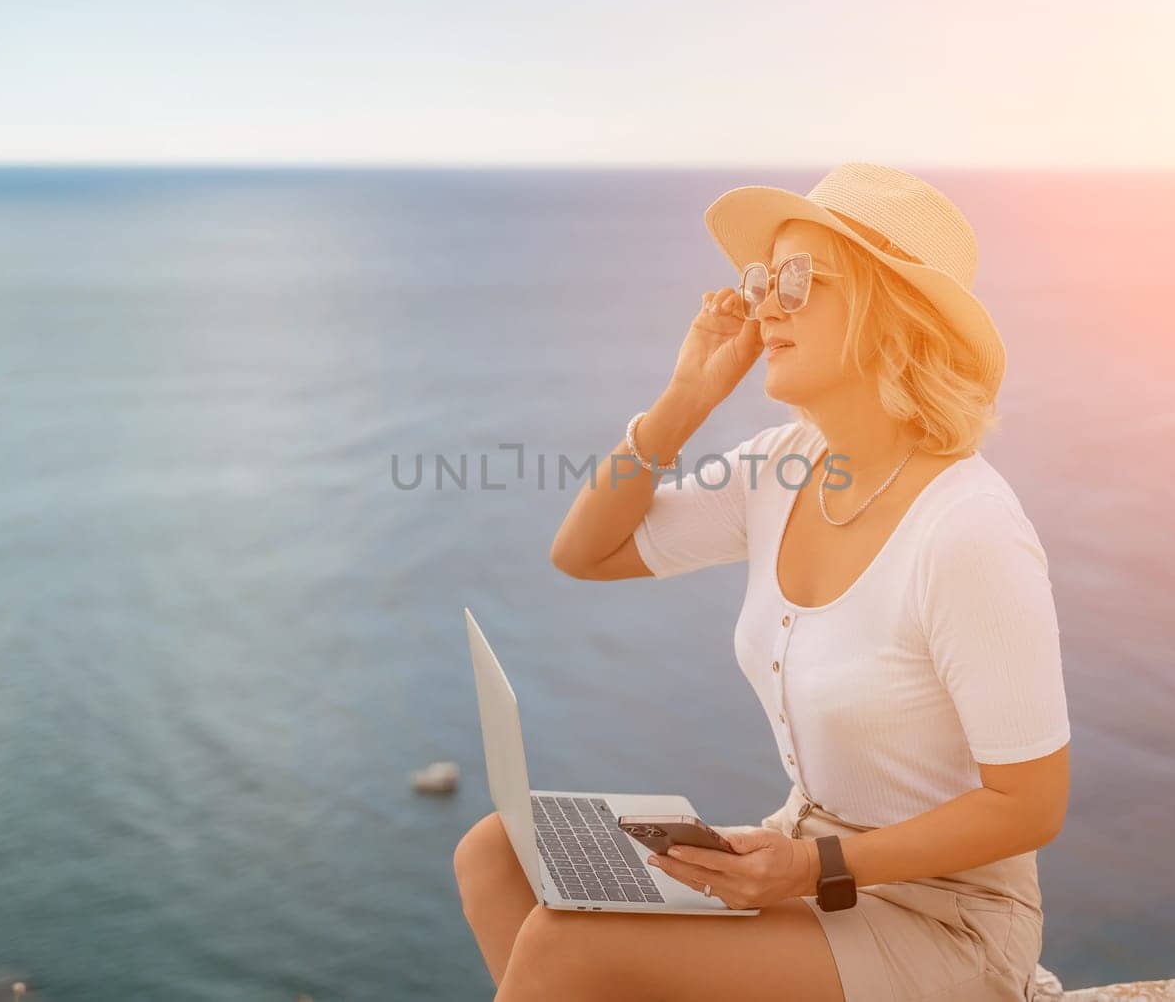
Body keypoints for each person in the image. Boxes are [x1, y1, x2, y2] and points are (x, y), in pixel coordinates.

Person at [455, 163, 1071, 1001]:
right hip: (808, 865)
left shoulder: (969, 530)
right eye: (760, 277)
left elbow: (1030, 806)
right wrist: (685, 397)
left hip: (943, 920)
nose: (764, 304)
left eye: (795, 279)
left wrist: (811, 864)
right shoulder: (783, 468)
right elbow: (585, 551)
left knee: (568, 943)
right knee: (497, 853)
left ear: (889, 311)